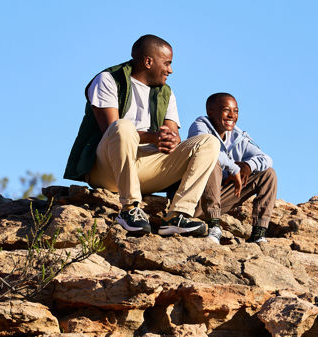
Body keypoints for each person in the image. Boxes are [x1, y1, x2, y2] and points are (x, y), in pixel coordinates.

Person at [64, 35, 220, 237]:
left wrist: (171, 140)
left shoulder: (166, 93)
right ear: (148, 62)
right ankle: (130, 209)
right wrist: (153, 137)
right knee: (123, 126)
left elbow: (173, 135)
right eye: (167, 63)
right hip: (108, 167)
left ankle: (177, 215)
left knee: (209, 142)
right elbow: (110, 130)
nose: (170, 70)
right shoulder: (109, 79)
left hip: (147, 169)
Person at [187, 93, 277, 244]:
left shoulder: (238, 136)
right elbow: (209, 151)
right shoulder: (199, 126)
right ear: (210, 112)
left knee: (268, 174)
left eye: (236, 111)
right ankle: (213, 227)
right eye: (226, 110)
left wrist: (248, 166)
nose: (232, 115)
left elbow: (267, 159)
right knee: (213, 162)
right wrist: (234, 169)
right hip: (195, 200)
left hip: (221, 197)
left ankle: (258, 233)